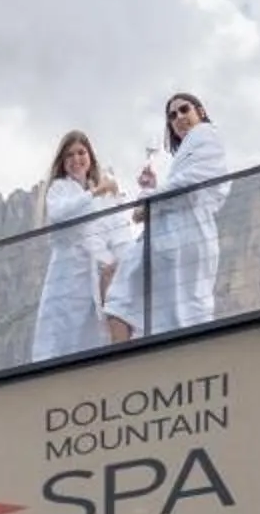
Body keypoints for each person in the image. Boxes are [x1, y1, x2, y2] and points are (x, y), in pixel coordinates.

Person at [103, 91, 229, 343]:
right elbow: (180, 188)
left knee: (123, 297)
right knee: (162, 306)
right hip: (175, 238)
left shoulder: (205, 136)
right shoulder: (190, 149)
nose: (179, 117)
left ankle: (121, 364)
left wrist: (148, 200)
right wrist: (151, 189)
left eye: (185, 110)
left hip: (186, 236)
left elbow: (192, 182)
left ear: (200, 112)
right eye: (172, 115)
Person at [31, 130, 123, 362]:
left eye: (81, 152)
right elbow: (60, 214)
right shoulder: (59, 189)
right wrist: (94, 194)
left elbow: (114, 228)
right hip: (68, 274)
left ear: (90, 155)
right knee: (63, 331)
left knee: (92, 332)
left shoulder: (100, 190)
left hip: (95, 274)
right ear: (62, 162)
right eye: (69, 155)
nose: (76, 159)